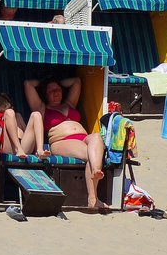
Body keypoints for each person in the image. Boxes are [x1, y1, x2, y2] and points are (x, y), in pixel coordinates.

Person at [24, 78, 107, 209]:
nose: (56, 93)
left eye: (58, 90)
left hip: (83, 138)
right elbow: (28, 84)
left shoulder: (70, 104)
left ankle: (96, 171)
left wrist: (59, 82)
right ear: (45, 94)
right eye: (51, 91)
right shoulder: (42, 108)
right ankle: (93, 197)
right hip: (62, 141)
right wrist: (44, 83)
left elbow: (77, 82)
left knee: (96, 137)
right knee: (89, 154)